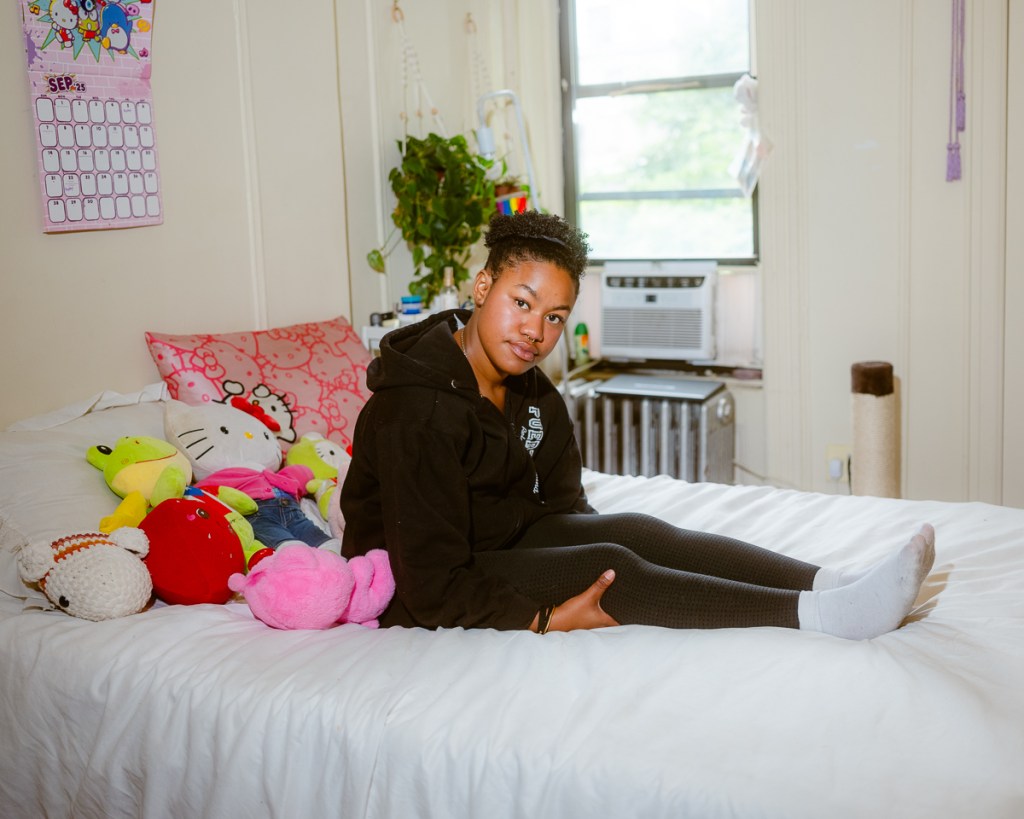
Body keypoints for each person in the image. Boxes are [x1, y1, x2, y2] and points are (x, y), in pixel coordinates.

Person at [340, 211, 935, 639]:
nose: (535, 332)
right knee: (607, 566)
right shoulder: (416, 412)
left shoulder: (529, 388)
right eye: (521, 303)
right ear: (483, 286)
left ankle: (833, 583)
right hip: (420, 579)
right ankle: (828, 618)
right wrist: (541, 618)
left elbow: (561, 506)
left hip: (493, 542)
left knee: (637, 531)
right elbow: (430, 582)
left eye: (554, 316)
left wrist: (593, 539)